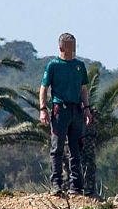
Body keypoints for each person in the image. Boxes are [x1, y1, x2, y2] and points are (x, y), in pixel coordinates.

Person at [39, 33, 93, 195]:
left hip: (76, 110)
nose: (73, 49)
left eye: (74, 46)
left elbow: (83, 89)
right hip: (59, 110)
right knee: (57, 148)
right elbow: (44, 88)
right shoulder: (53, 66)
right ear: (61, 47)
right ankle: (56, 183)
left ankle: (76, 185)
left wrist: (87, 108)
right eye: (70, 46)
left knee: (76, 149)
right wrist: (43, 109)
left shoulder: (79, 66)